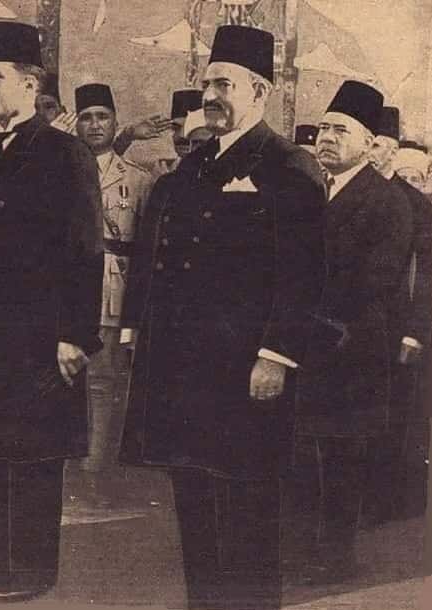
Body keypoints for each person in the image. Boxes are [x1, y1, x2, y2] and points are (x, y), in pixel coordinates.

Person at [119, 25, 326, 609]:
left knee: (246, 510)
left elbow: (305, 274)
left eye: (224, 84)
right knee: (195, 503)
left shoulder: (288, 164)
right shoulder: (194, 167)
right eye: (207, 83)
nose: (210, 95)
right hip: (187, 371)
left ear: (259, 91)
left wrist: (276, 356)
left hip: (245, 370)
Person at [0, 22, 103, 602]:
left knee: (33, 454)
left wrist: (75, 335)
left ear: (31, 83)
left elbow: (86, 250)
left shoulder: (66, 153)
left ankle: (32, 572)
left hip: (39, 334)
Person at [297, 80, 413, 584]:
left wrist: (314, 318)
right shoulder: (310, 191)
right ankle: (307, 548)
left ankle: (336, 558)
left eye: (340, 130)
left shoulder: (387, 201)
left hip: (352, 344)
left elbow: (376, 282)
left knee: (342, 453)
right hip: (307, 340)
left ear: (368, 143)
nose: (327, 137)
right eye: (323, 128)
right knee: (308, 452)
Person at [72, 82, 151, 505]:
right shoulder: (59, 170)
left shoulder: (137, 179)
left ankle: (95, 471)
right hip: (65, 290)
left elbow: (146, 248)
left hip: (110, 290)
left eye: (103, 116)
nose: (95, 125)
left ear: (116, 121)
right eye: (86, 117)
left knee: (103, 384)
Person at [366, 106, 432, 524]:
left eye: (377, 146)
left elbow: (426, 273)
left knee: (401, 416)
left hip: (401, 327)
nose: (371, 153)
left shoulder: (415, 204)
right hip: (366, 325)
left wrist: (414, 331)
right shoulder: (358, 192)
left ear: (391, 150)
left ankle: (396, 503)